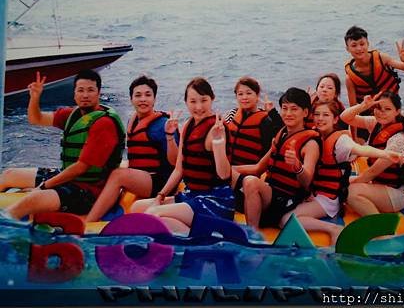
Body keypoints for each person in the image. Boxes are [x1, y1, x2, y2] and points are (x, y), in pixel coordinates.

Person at [0, 70, 125, 219]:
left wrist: (44, 186)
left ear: (99, 93)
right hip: (69, 178)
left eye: (90, 90)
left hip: (90, 192)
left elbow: (81, 167)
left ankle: (6, 226)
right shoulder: (74, 115)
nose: (85, 95)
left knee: (32, 200)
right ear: (74, 94)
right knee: (9, 175)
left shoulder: (104, 124)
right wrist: (34, 97)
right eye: (81, 90)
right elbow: (36, 119)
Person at [282, 100, 404, 244]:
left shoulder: (340, 140)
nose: (320, 118)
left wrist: (386, 154)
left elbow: (360, 149)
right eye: (317, 114)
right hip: (313, 193)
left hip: (327, 198)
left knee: (286, 220)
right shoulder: (314, 137)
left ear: (335, 119)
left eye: (326, 115)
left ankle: (333, 229)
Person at [131, 77, 233, 234]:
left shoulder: (217, 129)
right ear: (186, 102)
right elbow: (178, 169)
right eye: (193, 101)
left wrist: (218, 143)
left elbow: (224, 174)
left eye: (203, 100)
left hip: (214, 201)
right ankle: (195, 234)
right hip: (191, 195)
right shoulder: (188, 126)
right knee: (137, 208)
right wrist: (160, 196)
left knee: (153, 215)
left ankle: (200, 240)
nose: (198, 107)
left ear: (212, 99)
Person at [84, 75, 180, 223]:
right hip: (144, 176)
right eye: (138, 95)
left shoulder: (163, 125)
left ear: (154, 99)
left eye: (148, 95)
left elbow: (176, 162)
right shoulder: (133, 120)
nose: (143, 99)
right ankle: (92, 204)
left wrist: (169, 135)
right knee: (110, 168)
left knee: (118, 175)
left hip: (161, 182)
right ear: (131, 100)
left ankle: (88, 222)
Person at [226, 87, 321, 229]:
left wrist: (297, 165)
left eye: (294, 109)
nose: (288, 113)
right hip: (270, 194)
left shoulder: (310, 144)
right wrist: (227, 169)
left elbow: (307, 181)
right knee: (224, 172)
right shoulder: (281, 135)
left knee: (251, 182)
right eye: (285, 108)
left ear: (305, 112)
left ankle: (253, 233)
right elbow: (258, 168)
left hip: (286, 201)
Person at [340, 91, 404, 216]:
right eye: (378, 108)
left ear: (397, 111)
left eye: (387, 109)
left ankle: (380, 229)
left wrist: (346, 186)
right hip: (379, 184)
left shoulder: (399, 139)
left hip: (397, 192)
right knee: (338, 181)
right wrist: (363, 106)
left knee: (349, 191)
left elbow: (372, 172)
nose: (381, 112)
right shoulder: (376, 123)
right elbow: (345, 117)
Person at [343, 26, 404, 141]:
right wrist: (354, 139)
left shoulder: (382, 58)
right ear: (347, 48)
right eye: (354, 45)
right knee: (360, 143)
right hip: (368, 114)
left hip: (390, 108)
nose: (359, 48)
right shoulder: (349, 78)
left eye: (362, 44)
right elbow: (353, 110)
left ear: (368, 44)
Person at [223, 76, 283, 166]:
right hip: (228, 167)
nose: (244, 97)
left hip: (250, 172)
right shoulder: (232, 114)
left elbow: (283, 134)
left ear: (257, 95)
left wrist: (273, 113)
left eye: (249, 93)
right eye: (240, 94)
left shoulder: (265, 120)